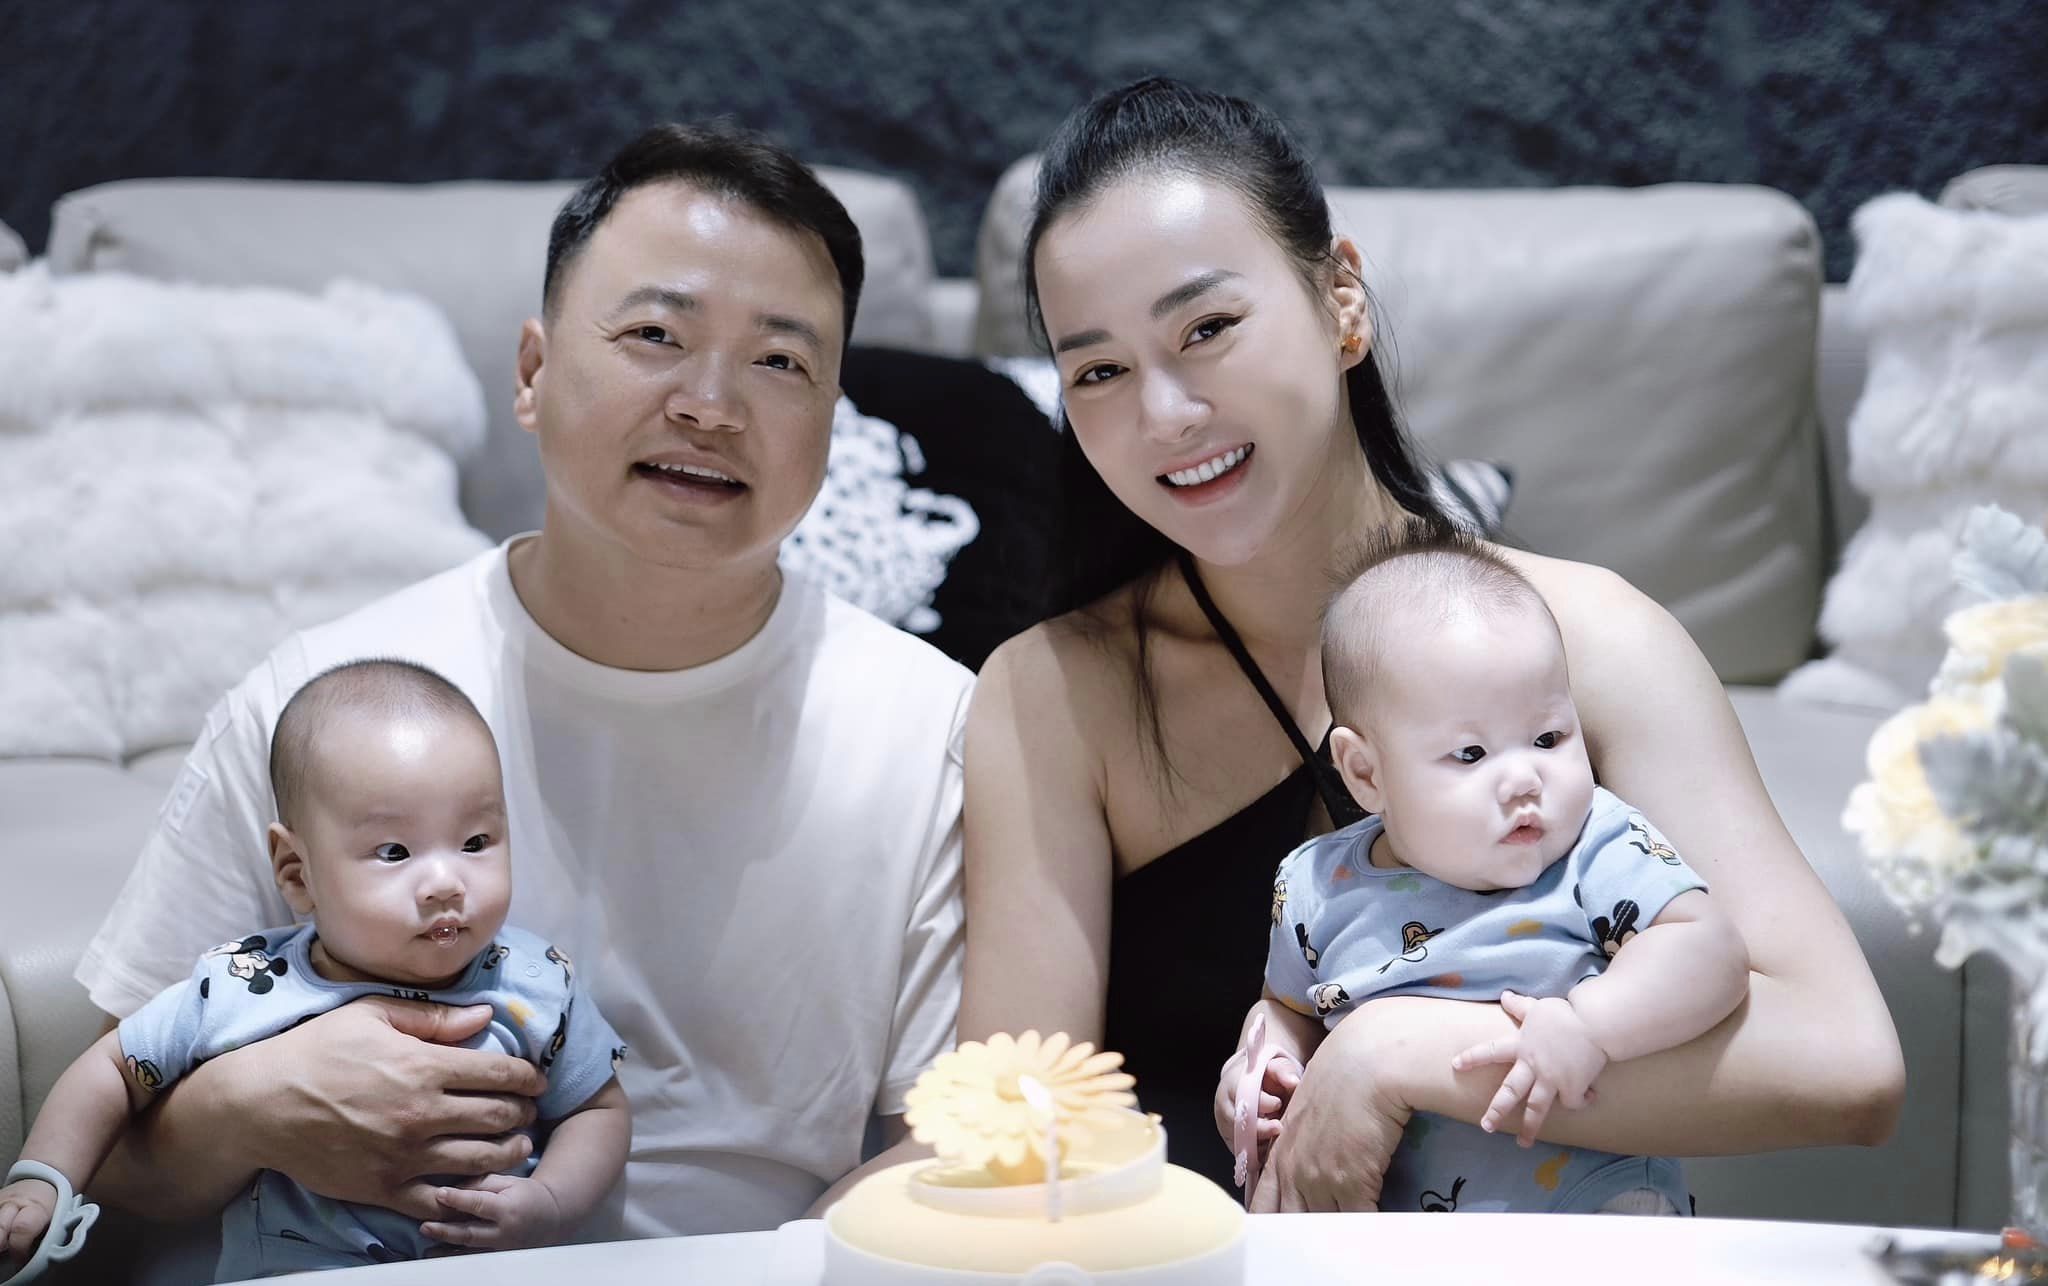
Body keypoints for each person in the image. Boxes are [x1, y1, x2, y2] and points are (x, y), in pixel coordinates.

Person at [959, 76, 1903, 1209]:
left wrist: (1394, 1053)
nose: (1163, 415)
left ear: (1340, 301)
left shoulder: (1589, 636)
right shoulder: (1053, 692)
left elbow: (1846, 1062)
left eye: (1206, 329)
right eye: (1099, 371)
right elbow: (1009, 1137)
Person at [73, 123, 973, 1240]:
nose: (711, 404)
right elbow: (98, 1178)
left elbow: (950, 1147)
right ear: (534, 373)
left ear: (833, 420)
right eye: (655, 334)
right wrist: (242, 1112)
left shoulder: (931, 727)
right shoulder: (317, 701)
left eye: (780, 362)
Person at [4, 660, 630, 1276]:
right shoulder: (245, 983)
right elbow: (114, 1068)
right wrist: (41, 1182)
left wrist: (551, 1201)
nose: (446, 882)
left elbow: (596, 1110)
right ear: (296, 872)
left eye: (475, 842)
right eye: (395, 851)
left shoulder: (537, 983)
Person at [1218, 527, 1748, 1214]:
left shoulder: (1596, 846)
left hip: (1592, 1211)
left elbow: (1710, 950)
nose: (1524, 778)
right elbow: (1287, 1008)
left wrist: (1591, 1024)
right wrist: (1264, 1068)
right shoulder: (1316, 885)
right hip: (1388, 1228)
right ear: (1366, 772)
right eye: (1471, 754)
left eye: (1549, 737)